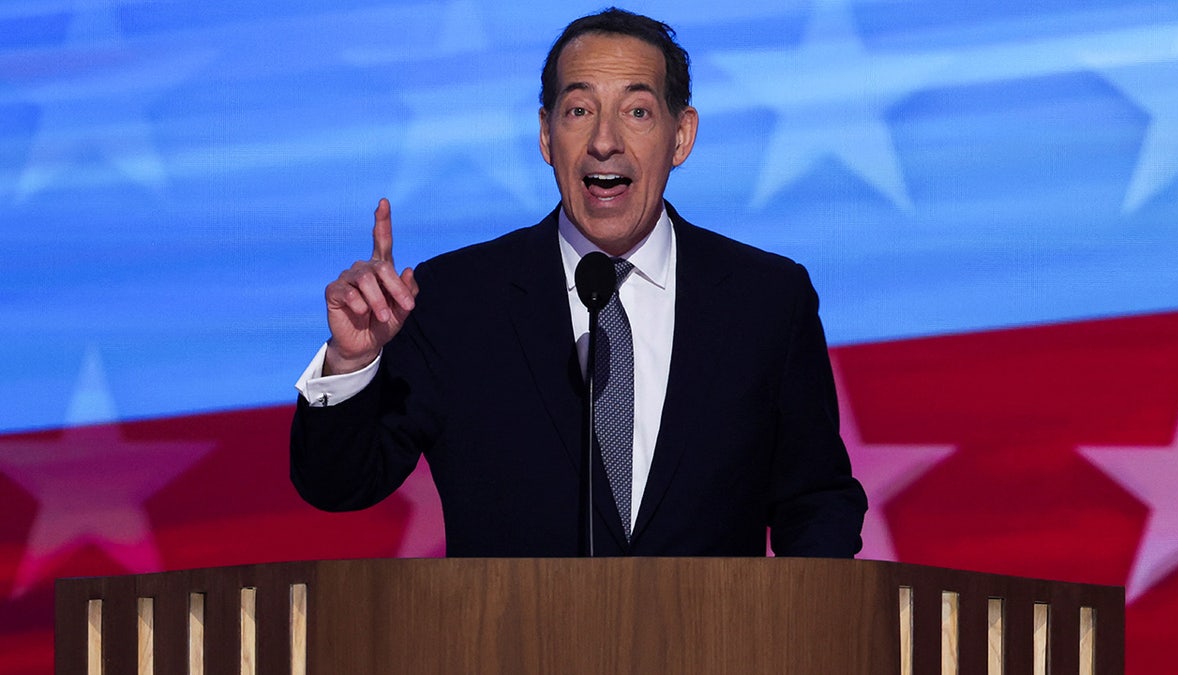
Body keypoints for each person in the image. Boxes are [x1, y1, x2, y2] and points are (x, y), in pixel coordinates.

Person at [291, 8, 867, 557]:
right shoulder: (456, 300)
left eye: (637, 111)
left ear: (681, 136)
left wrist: (796, 627)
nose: (604, 141)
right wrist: (350, 364)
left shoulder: (765, 299)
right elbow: (338, 485)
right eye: (578, 110)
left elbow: (815, 499)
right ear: (546, 136)